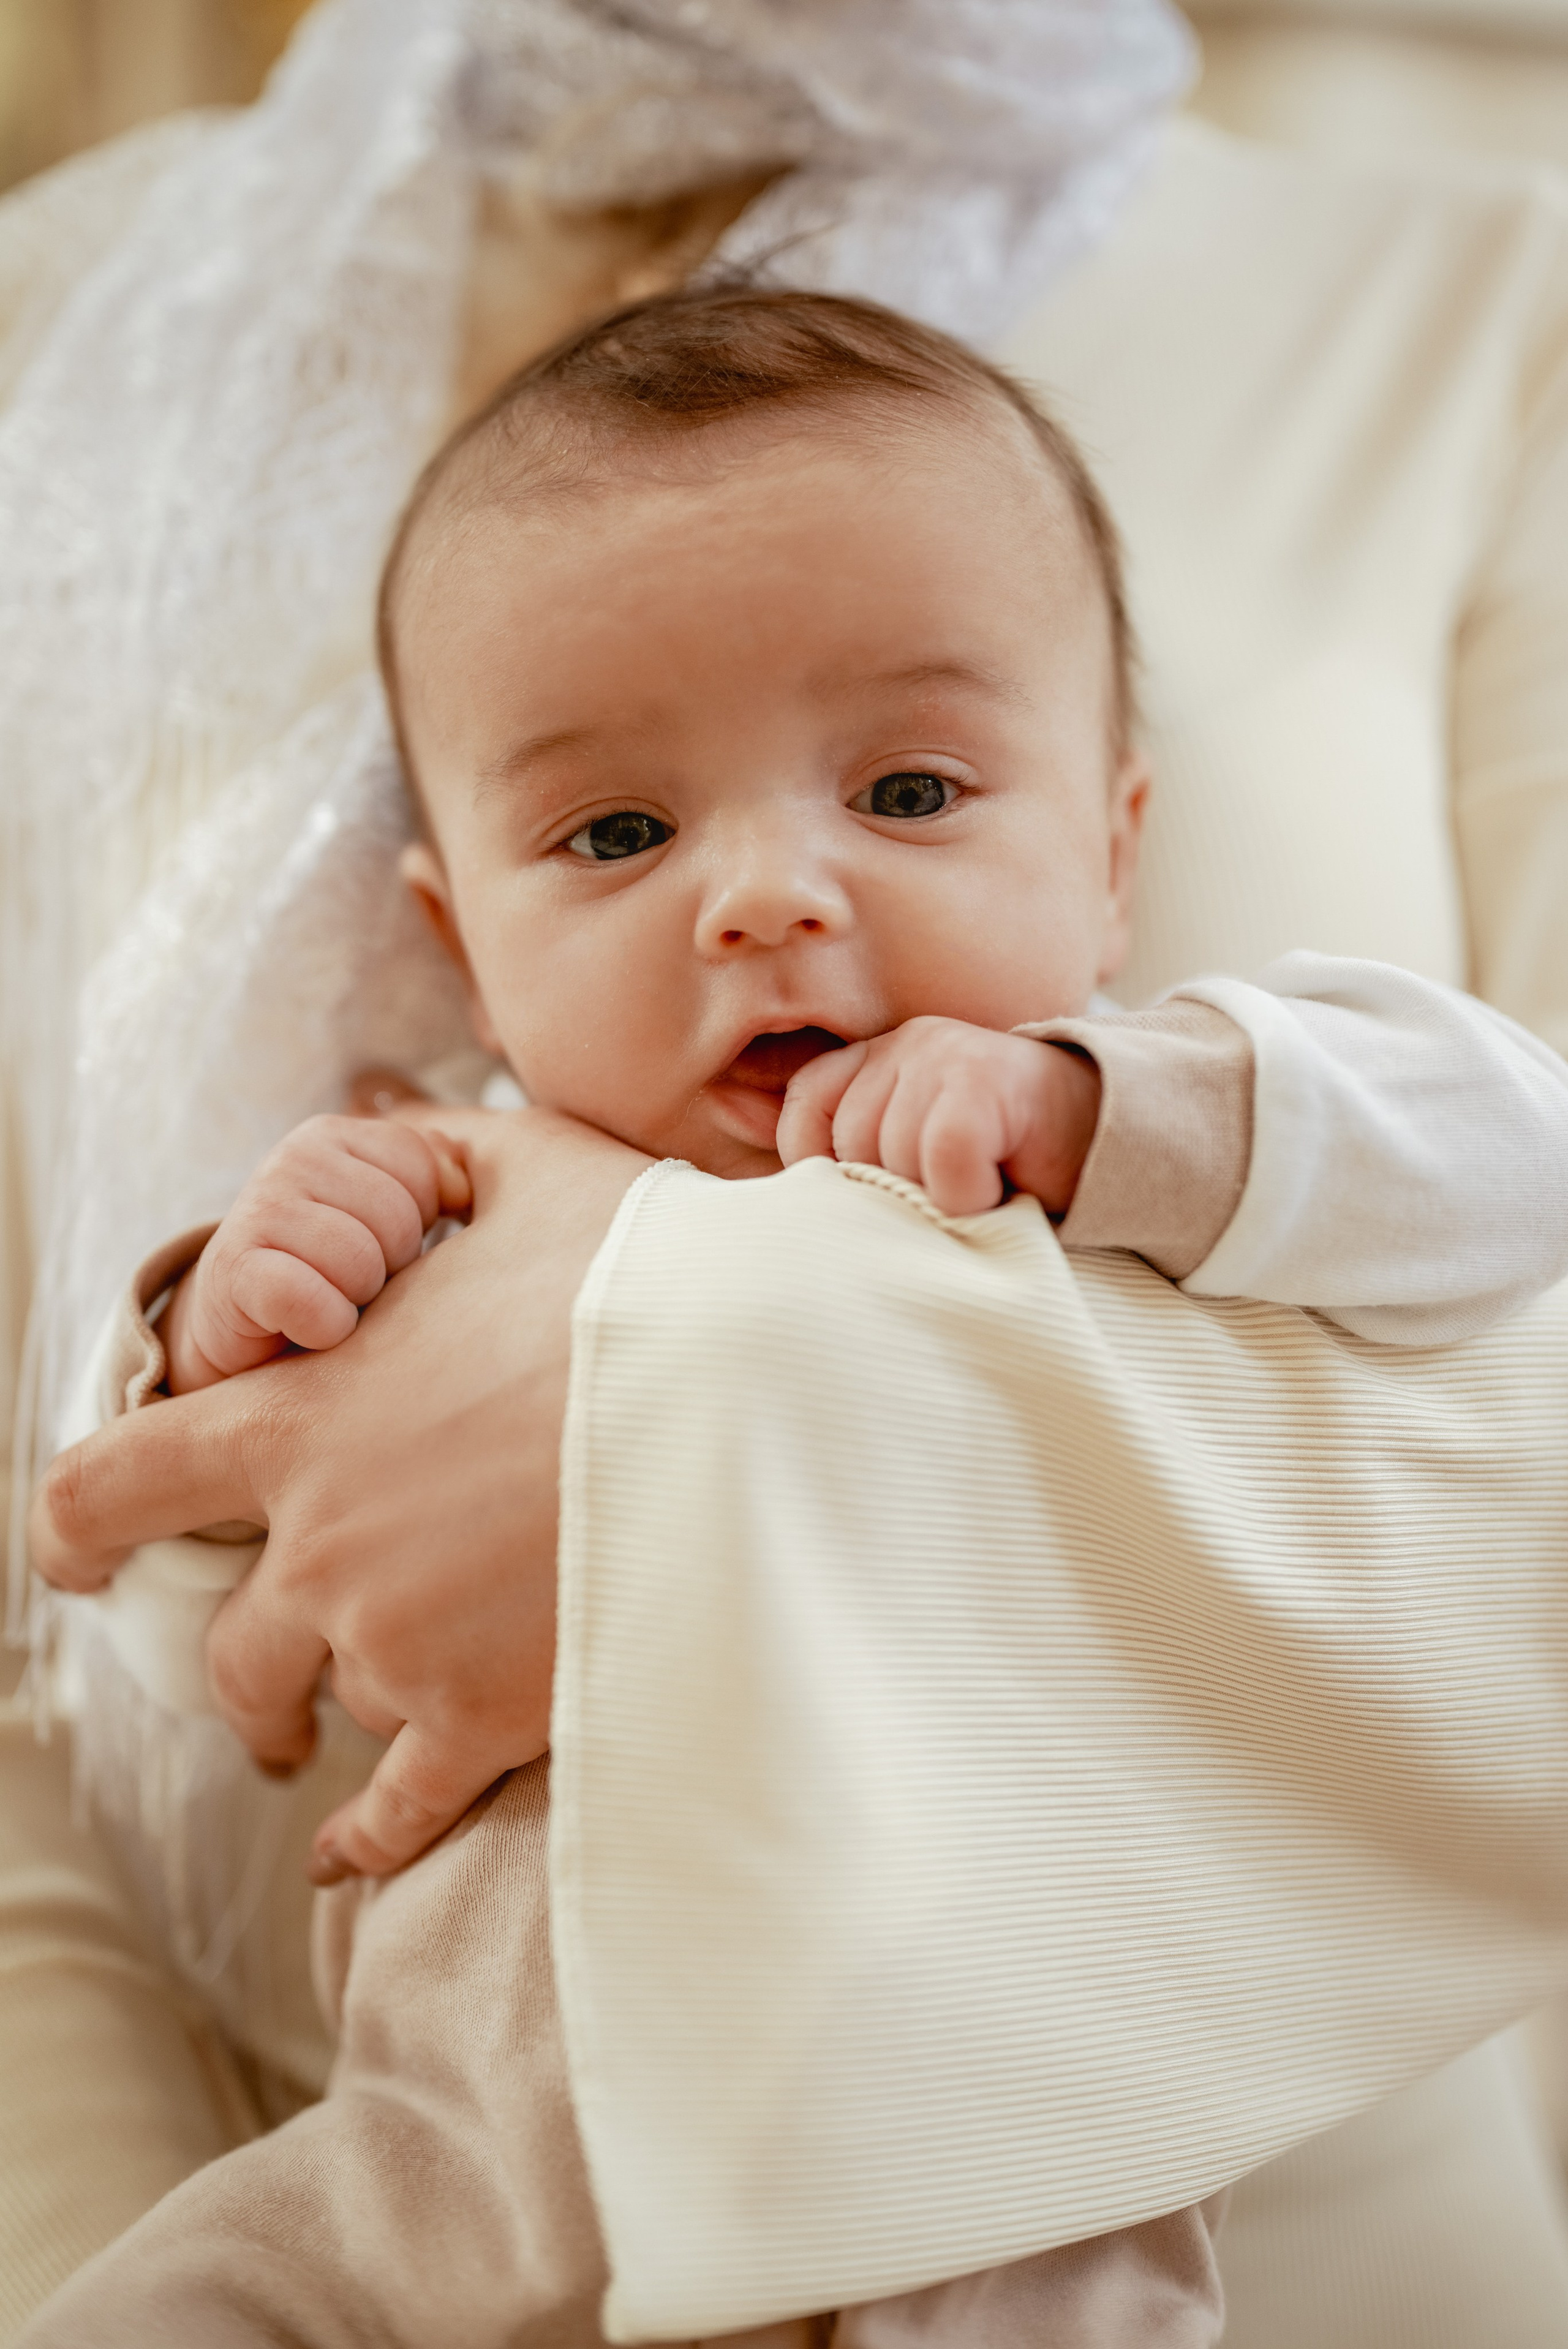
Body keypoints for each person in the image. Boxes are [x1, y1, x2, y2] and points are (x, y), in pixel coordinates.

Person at [20, 287, 1568, 2349]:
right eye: (620, 833)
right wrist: (227, 1313)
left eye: (910, 793)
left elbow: (1510, 1157)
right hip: (448, 2169)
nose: (763, 893)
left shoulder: (1134, 1137)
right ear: (464, 946)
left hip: (978, 2180)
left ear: (1115, 849)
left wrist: (1102, 1109)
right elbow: (182, 1588)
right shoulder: (445, 1191)